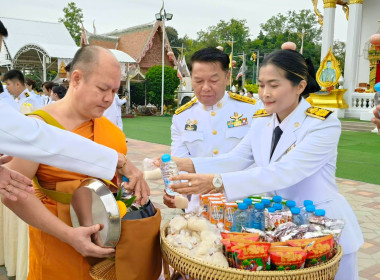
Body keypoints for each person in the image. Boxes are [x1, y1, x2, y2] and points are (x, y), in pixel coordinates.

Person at [167, 50, 363, 280]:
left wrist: (216, 182)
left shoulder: (322, 124)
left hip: (322, 230)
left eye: (273, 85)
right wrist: (186, 163)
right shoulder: (262, 121)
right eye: (261, 85)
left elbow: (286, 171)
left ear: (299, 86)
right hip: (281, 231)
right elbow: (236, 158)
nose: (265, 94)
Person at [2, 46, 150, 280]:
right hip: (55, 242)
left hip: (105, 245)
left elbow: (113, 187)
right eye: (102, 89)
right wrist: (67, 234)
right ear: (77, 78)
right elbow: (11, 191)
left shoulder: (110, 131)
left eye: (114, 91)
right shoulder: (37, 126)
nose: (109, 99)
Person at [165, 47, 259, 211]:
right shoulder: (181, 117)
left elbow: (257, 161)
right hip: (199, 208)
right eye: (198, 81)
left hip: (244, 206)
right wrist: (178, 192)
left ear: (228, 77)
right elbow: (180, 164)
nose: (206, 87)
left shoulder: (253, 110)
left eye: (213, 81)